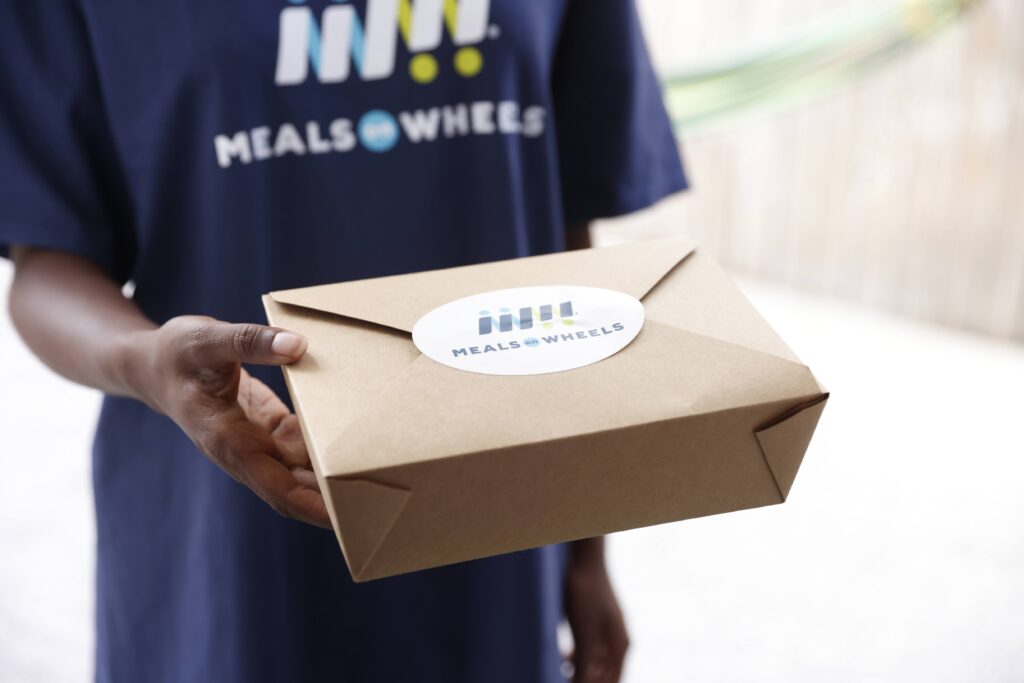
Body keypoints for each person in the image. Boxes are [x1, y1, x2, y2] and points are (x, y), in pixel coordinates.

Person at [0, 1, 686, 681]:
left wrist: (586, 549)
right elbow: (44, 257)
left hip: (496, 531)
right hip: (219, 530)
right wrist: (147, 362)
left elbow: (560, 228)